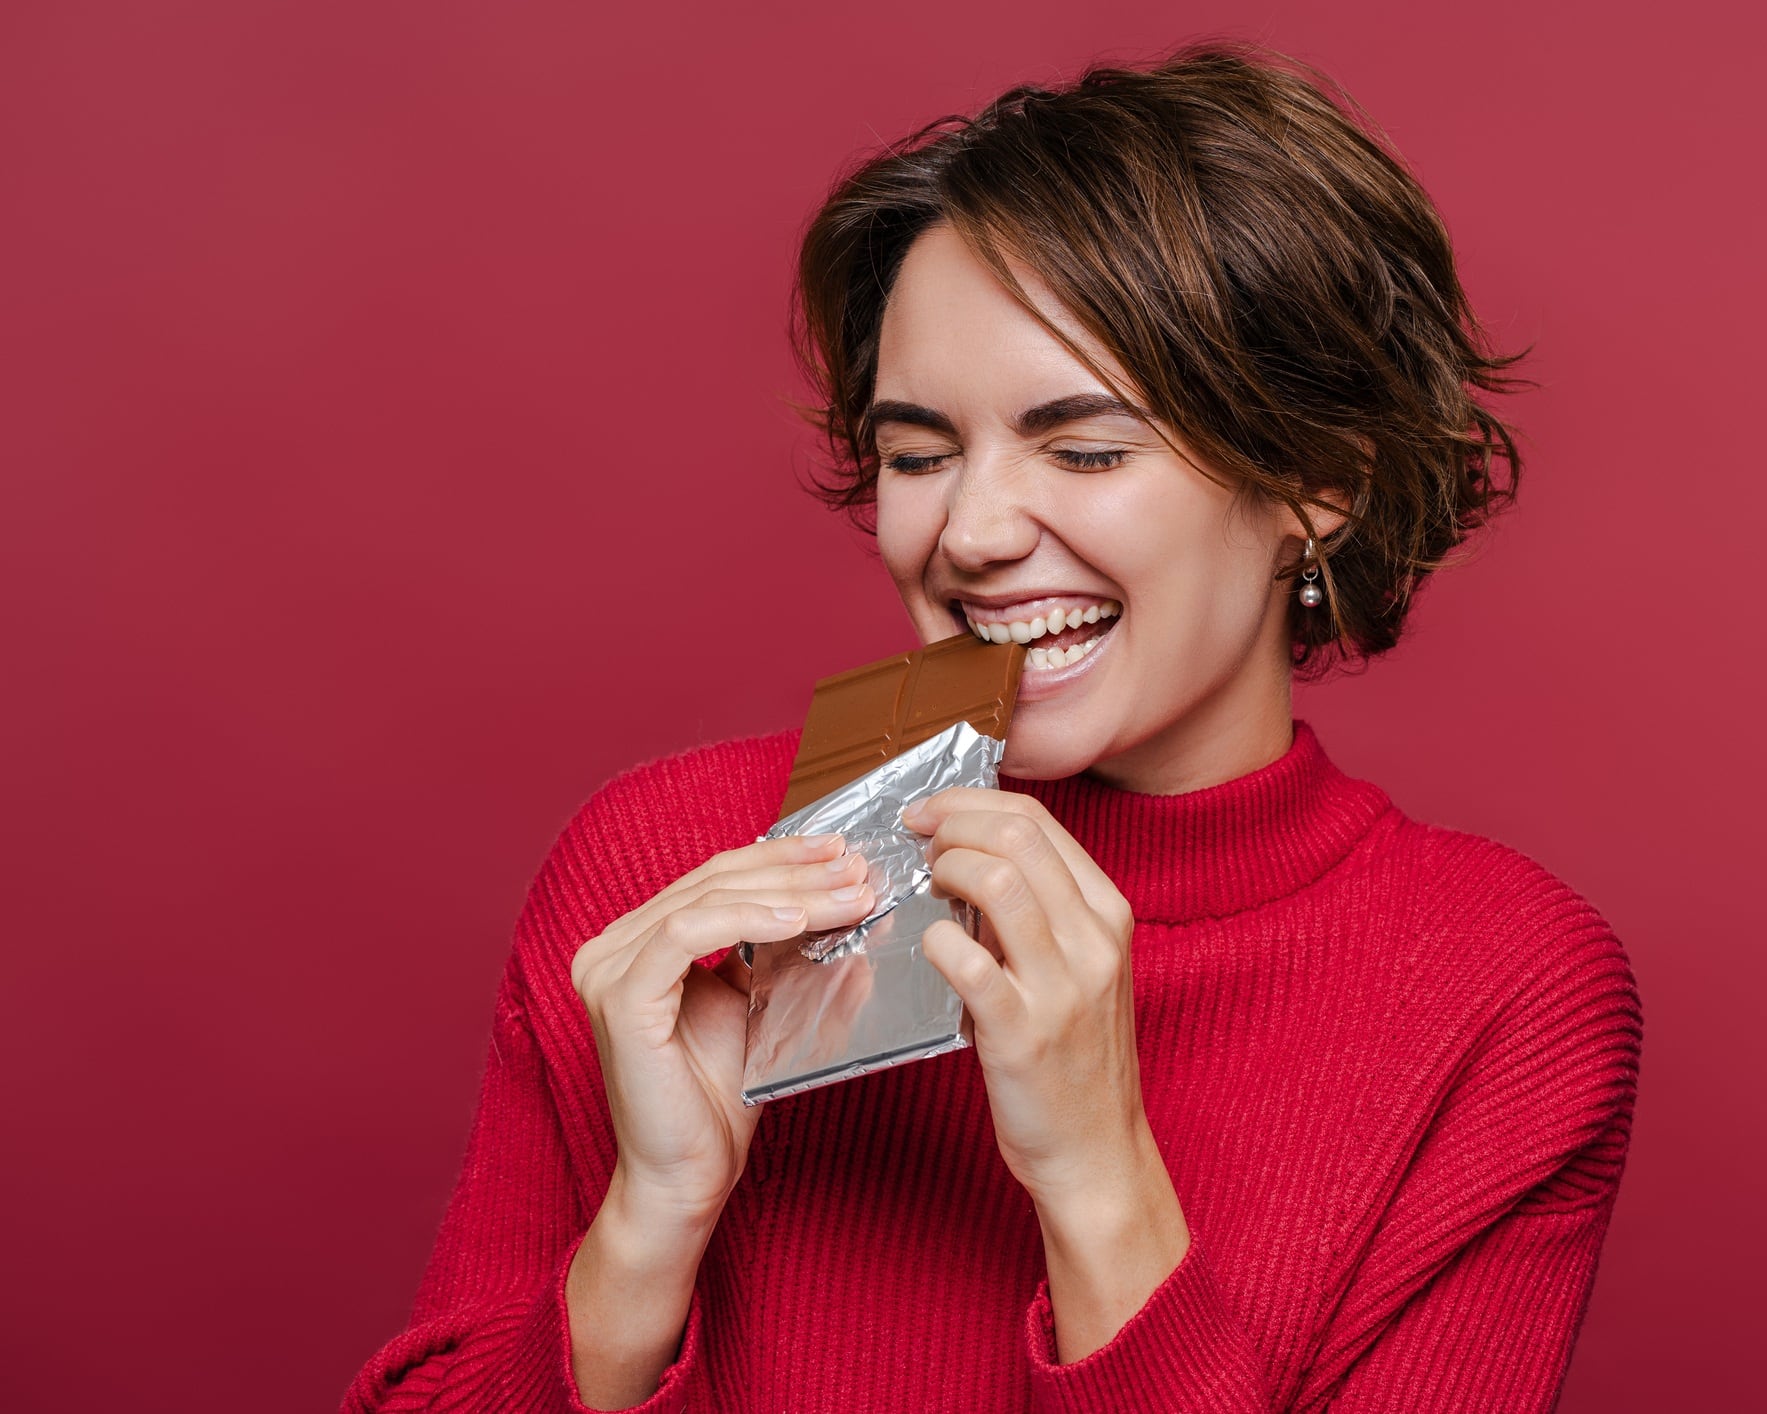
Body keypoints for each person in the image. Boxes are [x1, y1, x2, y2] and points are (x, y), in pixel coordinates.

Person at [342, 39, 1642, 1414]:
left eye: (1083, 449)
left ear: (1318, 482)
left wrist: (1097, 1177)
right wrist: (647, 1228)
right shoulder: (665, 871)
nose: (966, 533)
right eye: (916, 453)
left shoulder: (1504, 992)